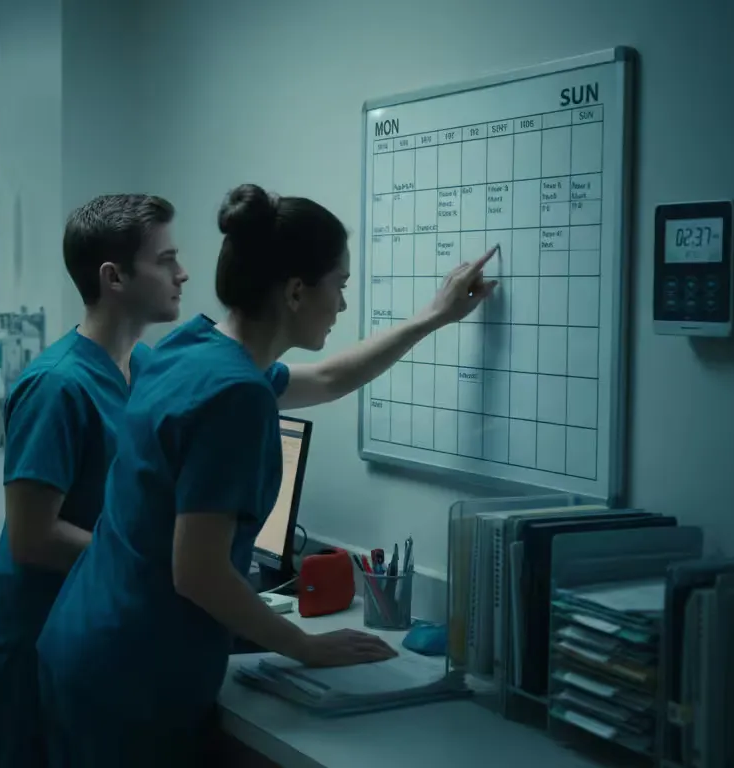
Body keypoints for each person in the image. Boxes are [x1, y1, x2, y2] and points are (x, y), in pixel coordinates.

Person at [35, 183, 497, 765]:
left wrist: (434, 317)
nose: (344, 306)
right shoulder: (235, 394)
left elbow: (327, 380)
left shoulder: (191, 348)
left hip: (87, 638)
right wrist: (305, 647)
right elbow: (198, 571)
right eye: (341, 287)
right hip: (131, 669)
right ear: (298, 291)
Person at [0, 194, 189, 767]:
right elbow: (33, 537)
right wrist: (157, 566)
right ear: (114, 277)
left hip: (95, 634)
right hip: (37, 648)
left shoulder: (142, 367)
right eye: (166, 260)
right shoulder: (59, 385)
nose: (182, 273)